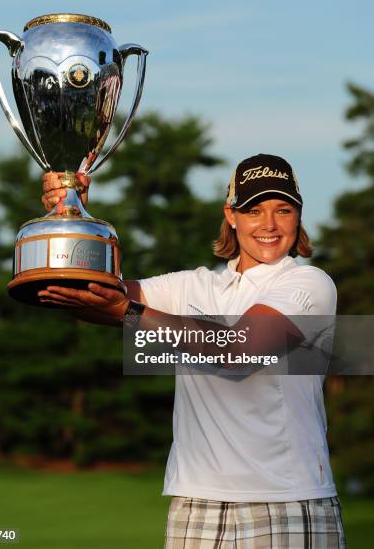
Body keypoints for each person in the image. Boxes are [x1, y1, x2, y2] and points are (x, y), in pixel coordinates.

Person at [39, 154, 345, 548]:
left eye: (282, 210)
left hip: (287, 499)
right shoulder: (193, 287)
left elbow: (240, 350)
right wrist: (70, 219)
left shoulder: (311, 282)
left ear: (297, 216)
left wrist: (129, 313)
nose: (269, 225)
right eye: (253, 210)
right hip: (195, 502)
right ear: (231, 215)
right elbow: (92, 291)